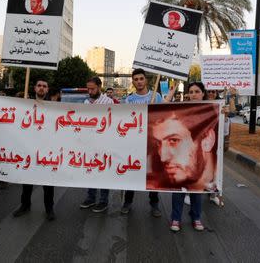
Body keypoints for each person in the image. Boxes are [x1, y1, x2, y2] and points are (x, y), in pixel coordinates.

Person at [166, 82, 216, 232]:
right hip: (181, 155)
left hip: (199, 156)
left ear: (203, 93)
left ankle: (196, 217)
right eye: (191, 92)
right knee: (179, 187)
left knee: (196, 188)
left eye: (197, 91)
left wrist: (223, 112)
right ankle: (176, 218)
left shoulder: (211, 110)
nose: (194, 94)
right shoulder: (183, 109)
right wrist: (170, 94)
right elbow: (163, 110)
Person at [121, 68, 163, 217]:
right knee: (131, 173)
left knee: (152, 174)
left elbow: (163, 117)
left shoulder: (156, 97)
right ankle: (127, 202)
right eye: (136, 79)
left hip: (152, 143)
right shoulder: (129, 100)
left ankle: (154, 204)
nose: (139, 81)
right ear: (133, 81)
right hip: (134, 144)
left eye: (141, 79)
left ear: (146, 80)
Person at [13, 79, 56, 221]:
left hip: (47, 151)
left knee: (48, 183)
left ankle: (49, 208)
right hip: (29, 149)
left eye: (44, 86)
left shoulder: (54, 107)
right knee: (27, 180)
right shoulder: (26, 105)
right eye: (39, 86)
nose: (41, 88)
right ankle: (25, 205)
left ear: (48, 89)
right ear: (34, 88)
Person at [80, 77, 114, 213]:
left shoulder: (108, 101)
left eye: (92, 88)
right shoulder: (85, 102)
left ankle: (103, 201)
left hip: (105, 143)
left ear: (99, 87)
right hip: (90, 144)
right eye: (88, 88)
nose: (90, 91)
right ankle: (91, 197)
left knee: (103, 172)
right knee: (91, 171)